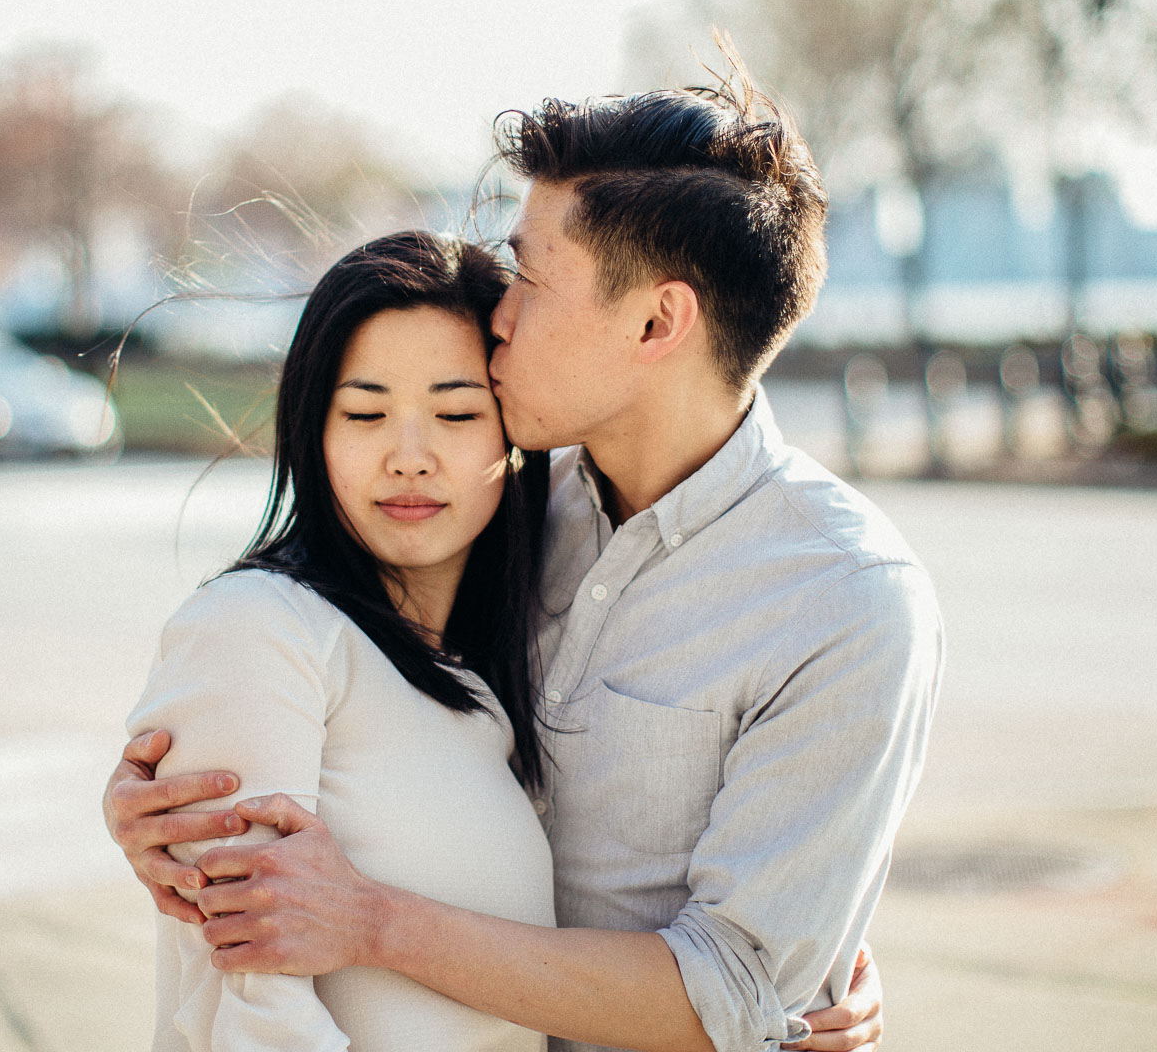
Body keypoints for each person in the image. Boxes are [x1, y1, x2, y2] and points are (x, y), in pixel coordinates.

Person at [109, 75, 938, 1052]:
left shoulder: (843, 597)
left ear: (656, 323)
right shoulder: (502, 514)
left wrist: (373, 917)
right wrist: (164, 800)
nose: (498, 312)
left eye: (530, 277)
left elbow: (738, 992)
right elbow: (306, 676)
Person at [127, 229, 560, 1050]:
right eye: (364, 413)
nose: (409, 457)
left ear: (513, 438)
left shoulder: (482, 667)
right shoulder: (259, 628)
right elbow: (256, 1013)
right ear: (312, 433)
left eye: (457, 413)